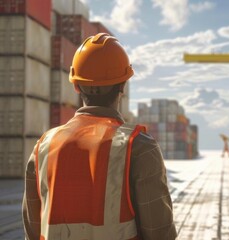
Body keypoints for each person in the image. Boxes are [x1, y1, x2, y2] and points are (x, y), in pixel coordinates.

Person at [22, 33, 177, 240]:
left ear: (76, 86)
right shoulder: (138, 147)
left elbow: (33, 231)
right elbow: (160, 234)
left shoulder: (44, 147)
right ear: (122, 86)